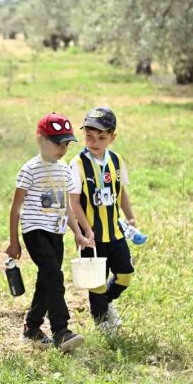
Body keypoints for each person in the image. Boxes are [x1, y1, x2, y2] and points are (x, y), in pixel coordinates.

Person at [6, 113, 93, 352]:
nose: (62, 148)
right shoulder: (29, 169)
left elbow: (66, 206)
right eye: (57, 143)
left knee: (47, 279)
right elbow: (15, 208)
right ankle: (61, 330)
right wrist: (14, 242)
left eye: (66, 143)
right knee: (54, 275)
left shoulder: (64, 170)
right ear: (40, 140)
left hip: (56, 232)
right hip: (35, 231)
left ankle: (32, 328)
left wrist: (77, 232)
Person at [69, 107, 139, 332]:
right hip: (92, 235)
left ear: (112, 137)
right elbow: (74, 202)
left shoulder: (116, 160)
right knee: (96, 280)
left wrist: (130, 217)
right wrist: (85, 230)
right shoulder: (77, 164)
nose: (95, 141)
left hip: (115, 231)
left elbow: (122, 192)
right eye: (90, 136)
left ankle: (106, 304)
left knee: (125, 274)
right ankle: (101, 322)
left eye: (101, 137)